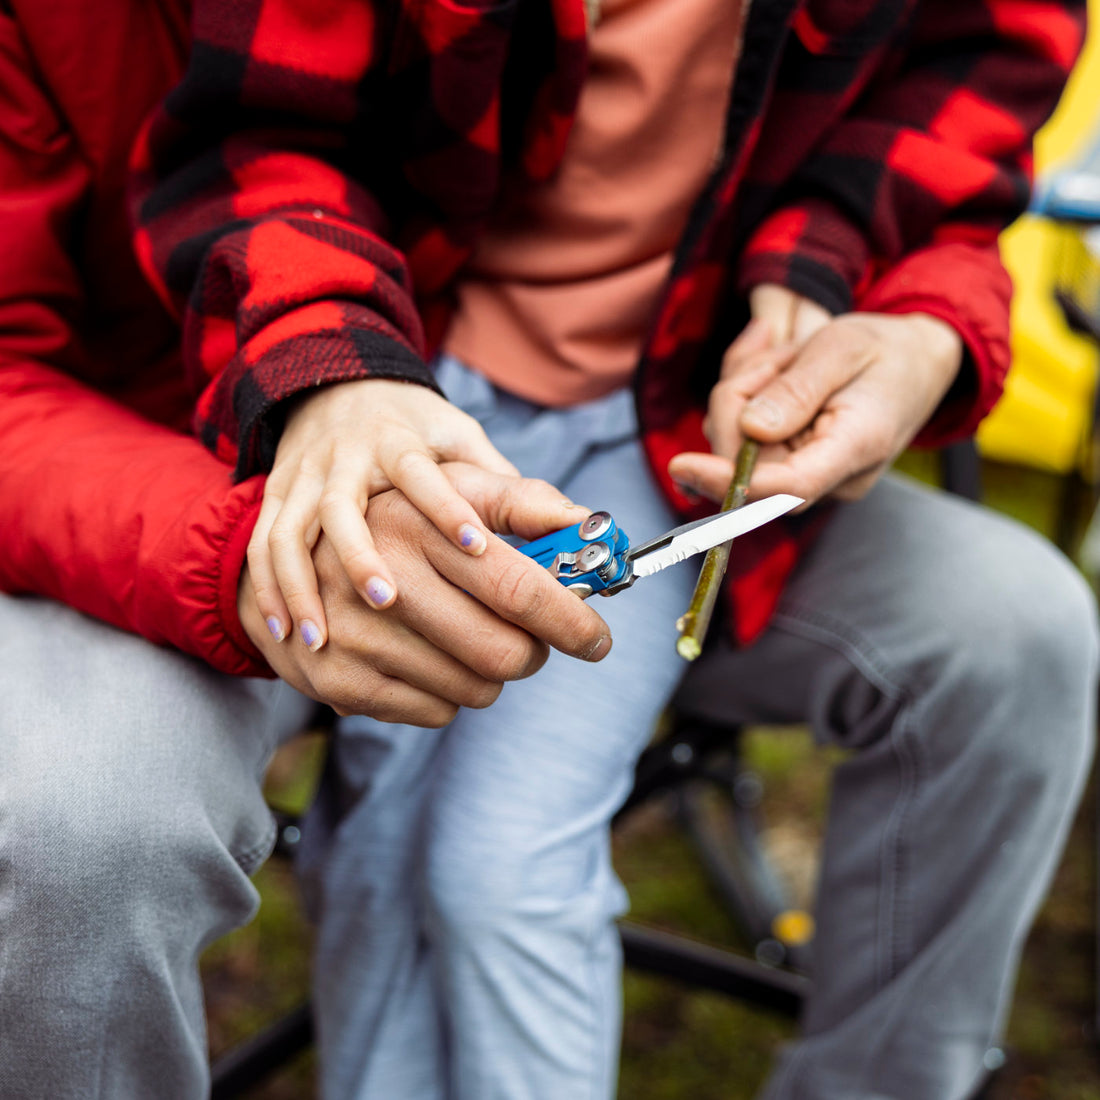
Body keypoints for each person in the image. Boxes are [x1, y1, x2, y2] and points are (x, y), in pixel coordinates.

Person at [0, 1, 1094, 1100]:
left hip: (650, 427)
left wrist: (904, 317)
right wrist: (319, 400)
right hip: (252, 437)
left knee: (499, 865)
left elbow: (949, 133)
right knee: (195, 830)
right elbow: (270, 138)